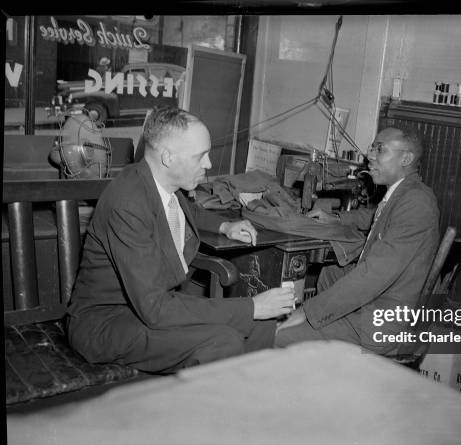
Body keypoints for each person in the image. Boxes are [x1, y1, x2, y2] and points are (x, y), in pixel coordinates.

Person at [67, 106, 295, 373]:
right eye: (201, 156)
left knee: (261, 326)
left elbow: (189, 212)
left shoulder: (164, 186)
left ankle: (240, 403)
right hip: (107, 321)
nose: (209, 164)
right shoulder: (127, 202)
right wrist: (251, 306)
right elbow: (155, 309)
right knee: (223, 341)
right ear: (168, 157)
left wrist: (225, 225)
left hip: (150, 307)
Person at [275, 127, 440, 356]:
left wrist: (308, 312)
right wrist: (336, 218)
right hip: (383, 301)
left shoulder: (416, 203)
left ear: (406, 158)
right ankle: (326, 350)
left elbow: (372, 276)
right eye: (372, 148)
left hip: (380, 323)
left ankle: (318, 357)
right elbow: (375, 216)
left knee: (277, 337)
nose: (370, 155)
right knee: (330, 272)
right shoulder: (406, 192)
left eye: (379, 149)